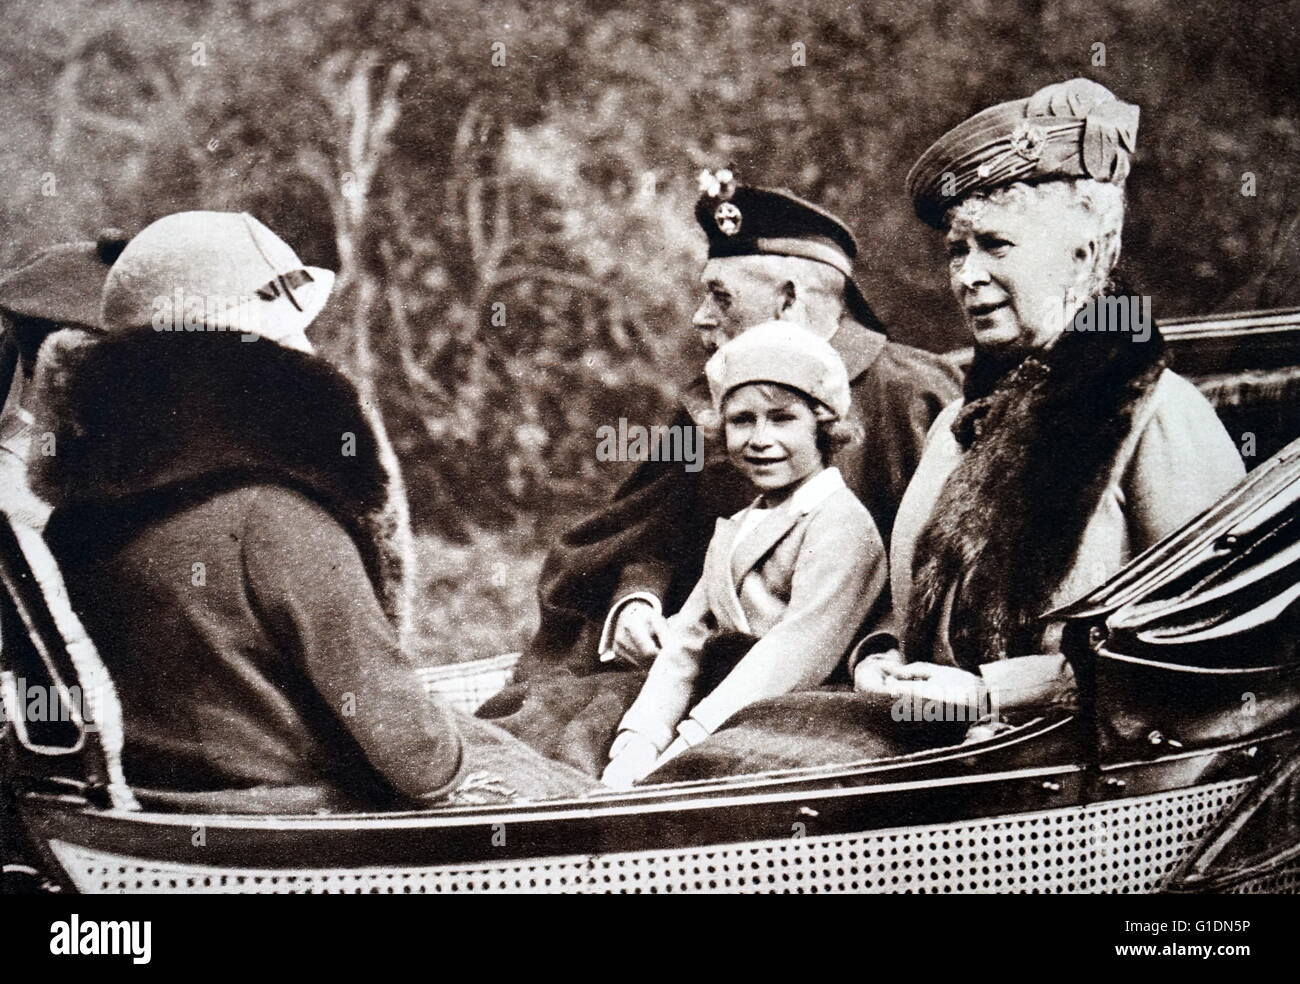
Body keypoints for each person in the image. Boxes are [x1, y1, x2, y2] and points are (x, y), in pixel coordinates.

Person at [28, 210, 589, 812]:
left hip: (145, 803)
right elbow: (418, 755)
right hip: (285, 816)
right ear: (261, 358)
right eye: (294, 335)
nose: (311, 353)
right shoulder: (276, 518)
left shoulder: (75, 516)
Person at [480, 172, 961, 775]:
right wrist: (637, 599)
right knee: (547, 732)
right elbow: (652, 532)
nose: (700, 319)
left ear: (789, 301)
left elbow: (946, 567)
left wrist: (881, 647)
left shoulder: (920, 397)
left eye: (721, 296)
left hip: (844, 684)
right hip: (703, 659)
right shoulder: (708, 404)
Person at [853, 78, 1245, 726]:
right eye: (958, 250)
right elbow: (923, 596)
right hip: (939, 755)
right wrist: (879, 655)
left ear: (1083, 254)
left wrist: (996, 692)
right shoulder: (960, 423)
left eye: (996, 245)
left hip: (1083, 786)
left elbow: (1210, 638)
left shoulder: (1156, 413)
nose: (967, 276)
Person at [601, 323, 890, 788]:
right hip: (725, 705)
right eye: (742, 421)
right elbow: (687, 640)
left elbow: (794, 652)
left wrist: (686, 744)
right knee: (588, 732)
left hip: (803, 711)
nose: (759, 438)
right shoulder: (740, 524)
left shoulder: (840, 524)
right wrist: (640, 742)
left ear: (824, 427)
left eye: (781, 419)